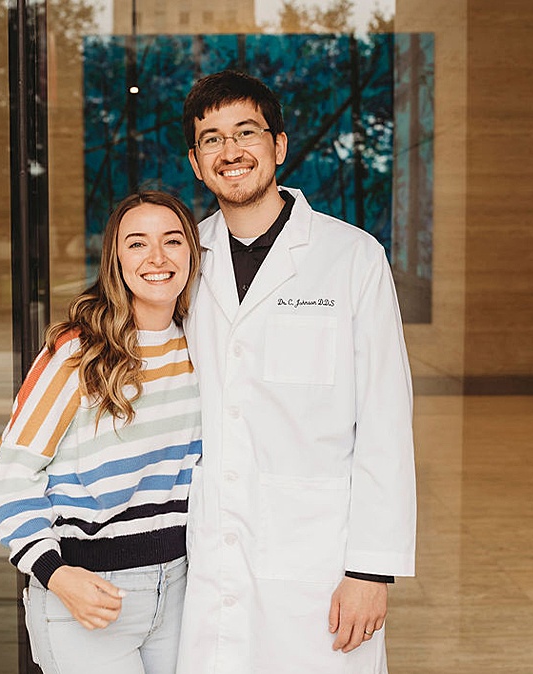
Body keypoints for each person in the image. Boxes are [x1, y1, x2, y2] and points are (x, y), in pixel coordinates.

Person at [176, 70, 417, 673]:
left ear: (278, 147)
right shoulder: (182, 261)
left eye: (246, 132)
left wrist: (370, 568)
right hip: (206, 556)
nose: (230, 152)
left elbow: (385, 420)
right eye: (212, 139)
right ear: (196, 161)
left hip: (318, 559)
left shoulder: (352, 257)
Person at [0, 191, 202, 674]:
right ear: (115, 259)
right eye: (137, 244)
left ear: (192, 251)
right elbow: (11, 479)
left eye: (172, 241)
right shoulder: (76, 353)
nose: (157, 258)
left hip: (184, 590)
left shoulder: (200, 346)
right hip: (86, 592)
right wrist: (56, 575)